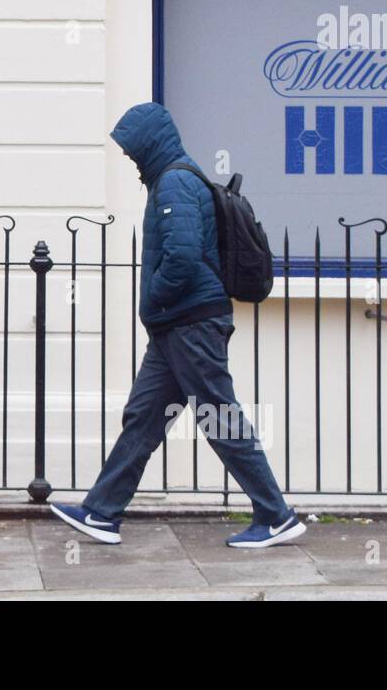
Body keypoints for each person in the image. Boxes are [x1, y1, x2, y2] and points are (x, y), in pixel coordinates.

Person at [51, 102, 304, 549]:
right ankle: (102, 512)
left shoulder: (176, 183)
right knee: (143, 418)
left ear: (149, 144)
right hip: (175, 328)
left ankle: (275, 515)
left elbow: (183, 259)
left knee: (220, 418)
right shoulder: (173, 180)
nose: (130, 160)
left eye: (132, 151)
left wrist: (155, 298)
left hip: (191, 325)